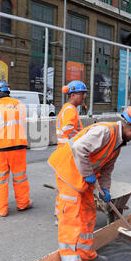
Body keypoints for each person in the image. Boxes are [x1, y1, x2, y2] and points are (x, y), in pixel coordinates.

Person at [48, 106, 131, 261]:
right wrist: (88, 175)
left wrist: (105, 190)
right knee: (70, 219)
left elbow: (106, 170)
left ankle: (85, 253)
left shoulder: (117, 144)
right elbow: (79, 149)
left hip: (83, 174)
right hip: (69, 171)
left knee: (89, 213)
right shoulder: (105, 132)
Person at [0, 81, 33, 217]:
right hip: (18, 147)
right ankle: (23, 204)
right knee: (20, 178)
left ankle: (1, 209)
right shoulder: (20, 105)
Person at [53, 81, 87, 222]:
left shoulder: (68, 108)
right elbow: (68, 130)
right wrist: (82, 141)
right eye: (82, 94)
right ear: (73, 95)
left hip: (64, 152)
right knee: (69, 187)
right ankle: (63, 216)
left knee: (64, 187)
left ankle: (59, 213)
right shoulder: (70, 110)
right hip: (68, 153)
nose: (84, 96)